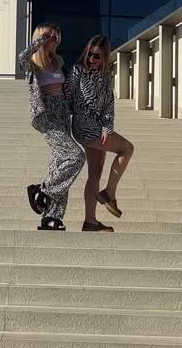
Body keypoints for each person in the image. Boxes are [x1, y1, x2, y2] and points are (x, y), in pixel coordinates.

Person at [19, 23, 85, 230]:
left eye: (56, 36)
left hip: (63, 112)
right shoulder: (32, 62)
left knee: (60, 164)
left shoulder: (58, 61)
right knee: (76, 156)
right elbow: (21, 58)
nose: (54, 40)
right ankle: (42, 190)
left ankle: (52, 217)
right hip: (46, 114)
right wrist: (39, 42)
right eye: (49, 36)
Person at [68, 35, 135, 232]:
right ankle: (109, 193)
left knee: (94, 175)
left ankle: (90, 222)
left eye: (96, 56)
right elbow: (67, 95)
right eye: (89, 54)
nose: (91, 59)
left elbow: (108, 105)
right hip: (85, 126)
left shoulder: (106, 76)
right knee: (127, 148)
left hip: (99, 128)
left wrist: (107, 127)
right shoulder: (78, 71)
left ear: (104, 56)